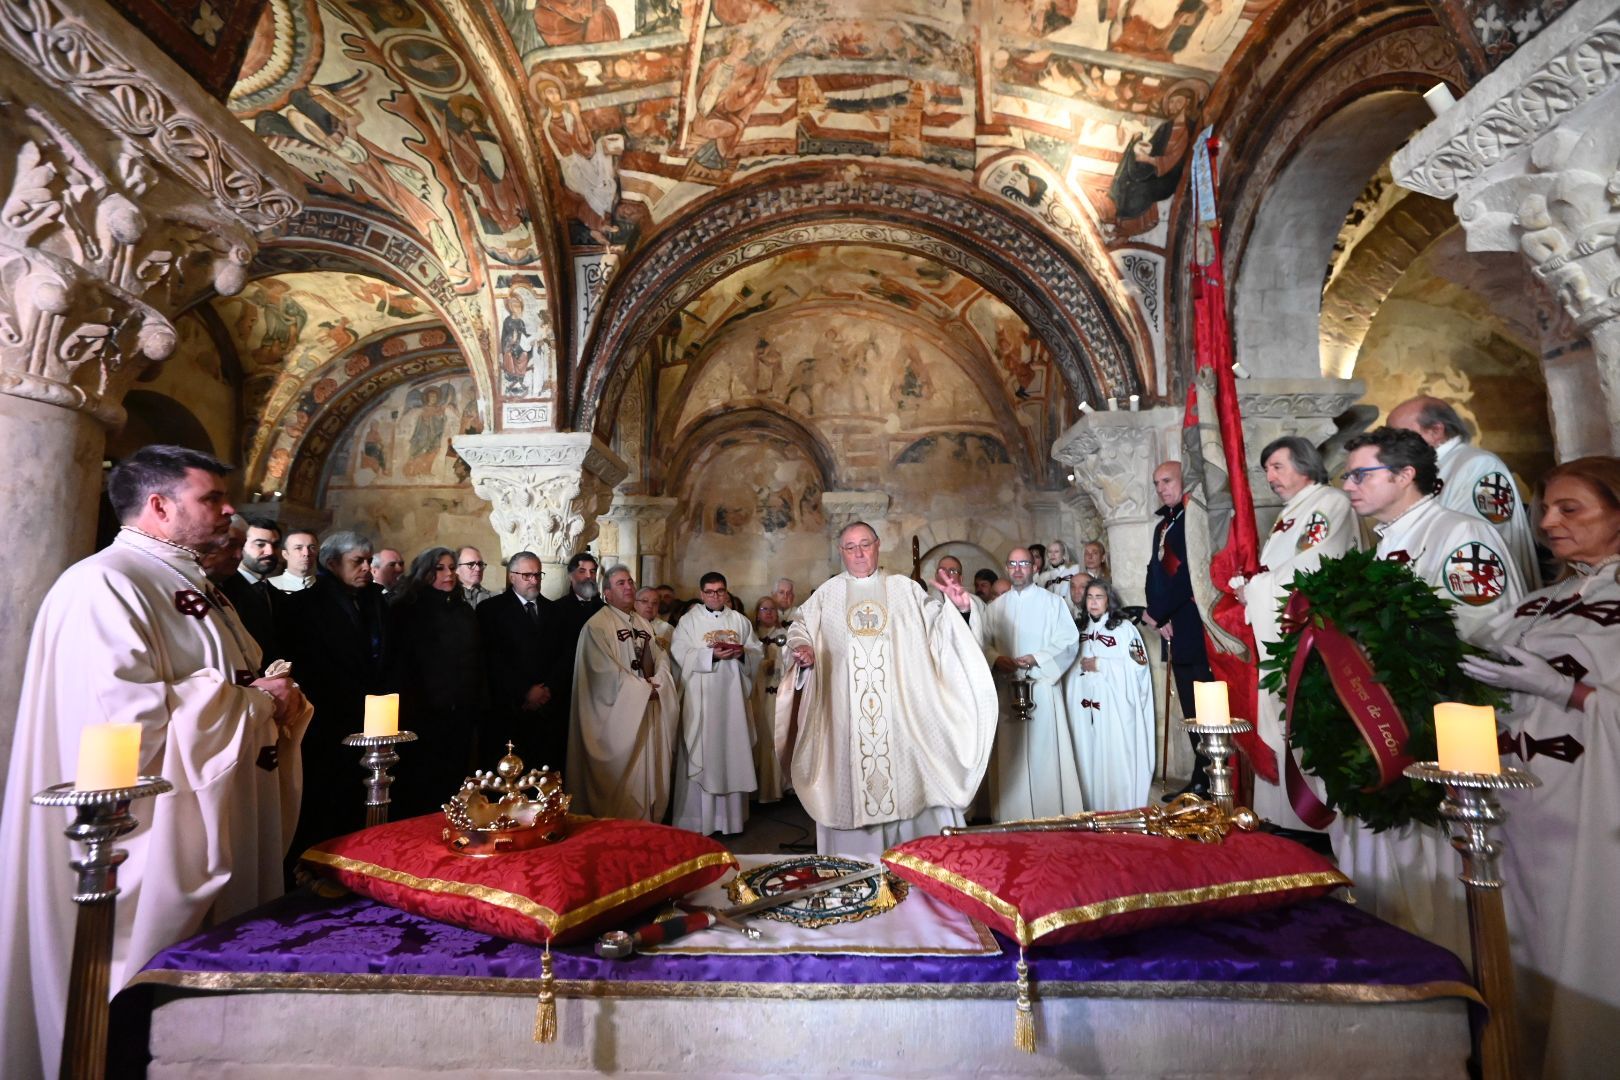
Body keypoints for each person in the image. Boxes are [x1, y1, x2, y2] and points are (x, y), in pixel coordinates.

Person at [0, 446, 310, 1079]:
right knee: (137, 1017)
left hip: (220, 811)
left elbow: (234, 682)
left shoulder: (192, 583)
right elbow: (124, 723)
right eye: (212, 500)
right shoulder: (105, 584)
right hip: (144, 839)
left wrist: (272, 703)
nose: (229, 512)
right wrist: (252, 704)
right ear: (159, 505)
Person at [1335, 427, 1526, 961]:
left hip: (1435, 733)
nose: (1349, 485)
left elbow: (1490, 630)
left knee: (1433, 880)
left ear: (1404, 475)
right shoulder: (1385, 542)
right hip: (1384, 729)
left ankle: (1443, 968)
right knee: (1389, 873)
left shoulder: (1457, 533)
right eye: (1347, 475)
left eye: (1360, 474)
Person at [1462, 456, 1620, 1078]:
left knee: (1587, 944)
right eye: (1545, 510)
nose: (1549, 522)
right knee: (1527, 951)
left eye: (1570, 509)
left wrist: (1568, 694)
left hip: (1594, 810)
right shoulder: (1540, 601)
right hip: (1520, 815)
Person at [778, 522, 997, 856]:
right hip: (846, 721)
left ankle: (916, 865)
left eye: (865, 544)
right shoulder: (827, 594)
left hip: (900, 721)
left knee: (910, 784)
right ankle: (856, 869)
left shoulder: (904, 590)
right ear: (841, 552)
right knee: (849, 787)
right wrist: (802, 650)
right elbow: (799, 629)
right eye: (850, 547)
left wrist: (960, 611)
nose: (859, 553)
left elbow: (940, 635)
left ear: (878, 546)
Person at [1238, 437, 1362, 832]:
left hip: (1312, 635)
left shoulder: (1329, 503)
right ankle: (1283, 817)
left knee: (1305, 721)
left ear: (1305, 464)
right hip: (1284, 632)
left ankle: (1313, 822)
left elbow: (1313, 566)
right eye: (1267, 470)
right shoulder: (1293, 511)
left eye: (1277, 466)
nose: (1270, 477)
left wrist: (1255, 589)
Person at [277, 529, 396, 862]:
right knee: (330, 799)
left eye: (369, 561)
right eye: (357, 562)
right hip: (329, 718)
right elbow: (307, 664)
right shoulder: (304, 606)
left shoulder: (377, 600)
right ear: (331, 563)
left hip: (373, 714)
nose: (366, 568)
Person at [1388, 395, 1542, 588]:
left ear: (1436, 431)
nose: (1391, 447)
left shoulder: (1479, 466)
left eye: (1400, 436)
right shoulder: (1430, 468)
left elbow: (1474, 541)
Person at [566, 566, 680, 821]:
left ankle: (647, 823)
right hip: (620, 717)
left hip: (646, 709)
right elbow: (602, 674)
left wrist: (659, 681)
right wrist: (642, 689)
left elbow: (661, 658)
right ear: (607, 593)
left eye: (630, 582)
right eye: (620, 583)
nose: (628, 586)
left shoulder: (643, 624)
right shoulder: (596, 626)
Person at [983, 547, 1084, 821]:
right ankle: (1010, 816)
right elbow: (982, 644)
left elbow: (1068, 640)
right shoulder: (994, 609)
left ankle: (1047, 814)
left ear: (1034, 567)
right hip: (1007, 688)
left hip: (1041, 687)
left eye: (1024, 563)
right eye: (1013, 564)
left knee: (1044, 752)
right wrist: (996, 658)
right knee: (1010, 755)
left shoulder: (1053, 603)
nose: (1018, 569)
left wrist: (1036, 658)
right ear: (1006, 568)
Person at [390, 548, 484, 816]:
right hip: (422, 714)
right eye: (440, 568)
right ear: (426, 571)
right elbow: (402, 664)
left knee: (454, 778)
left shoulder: (463, 610)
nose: (449, 574)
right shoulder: (407, 609)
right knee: (422, 781)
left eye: (452, 568)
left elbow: (475, 658)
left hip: (460, 712)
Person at [670, 573, 762, 835]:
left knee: (731, 754)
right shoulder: (689, 621)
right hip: (703, 703)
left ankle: (730, 821)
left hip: (732, 702)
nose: (715, 596)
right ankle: (700, 822)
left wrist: (743, 653)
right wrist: (711, 655)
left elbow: (756, 651)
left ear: (726, 592)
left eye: (720, 591)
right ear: (701, 594)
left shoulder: (739, 620)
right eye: (709, 592)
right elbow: (680, 654)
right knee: (705, 753)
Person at [1143, 460, 1211, 799]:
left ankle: (1211, 779)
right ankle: (1200, 778)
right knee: (1189, 707)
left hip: (1195, 627)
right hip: (1172, 628)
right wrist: (1156, 616)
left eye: (1167, 480)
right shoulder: (1162, 527)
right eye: (1156, 483)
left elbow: (1192, 574)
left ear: (1185, 480)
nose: (1161, 488)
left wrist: (1160, 611)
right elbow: (1154, 572)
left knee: (1206, 707)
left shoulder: (1194, 518)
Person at [1064, 579, 1156, 811]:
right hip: (1082, 708)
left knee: (1114, 758)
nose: (1093, 603)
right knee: (1085, 757)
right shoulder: (1078, 630)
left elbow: (1140, 666)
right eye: (1090, 598)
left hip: (1114, 709)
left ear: (1109, 601)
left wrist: (1101, 664)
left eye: (1099, 597)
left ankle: (1118, 809)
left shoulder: (1125, 630)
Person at [478, 552, 562, 770]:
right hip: (510, 708)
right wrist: (525, 691)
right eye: (527, 575)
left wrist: (546, 689)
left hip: (547, 708)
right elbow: (493, 659)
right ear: (511, 576)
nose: (534, 581)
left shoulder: (555, 611)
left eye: (537, 575)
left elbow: (563, 656)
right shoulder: (491, 610)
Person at [219, 514, 281, 668]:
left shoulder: (276, 593)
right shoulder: (223, 589)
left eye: (275, 545)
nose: (270, 551)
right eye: (260, 544)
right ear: (242, 545)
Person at [751, 596, 785, 802]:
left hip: (776, 695)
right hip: (757, 697)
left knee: (775, 739)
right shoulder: (752, 636)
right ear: (757, 612)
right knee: (759, 739)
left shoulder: (785, 635)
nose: (769, 613)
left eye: (773, 609)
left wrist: (778, 663)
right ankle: (758, 791)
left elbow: (791, 661)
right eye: (764, 609)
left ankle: (776, 789)